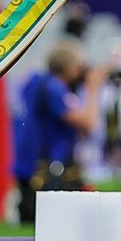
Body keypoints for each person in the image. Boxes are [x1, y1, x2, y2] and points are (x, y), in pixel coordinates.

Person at [11, 43, 100, 223]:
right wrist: (93, 89)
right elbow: (89, 123)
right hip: (51, 169)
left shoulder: (36, 83)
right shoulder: (54, 88)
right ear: (68, 67)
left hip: (31, 166)